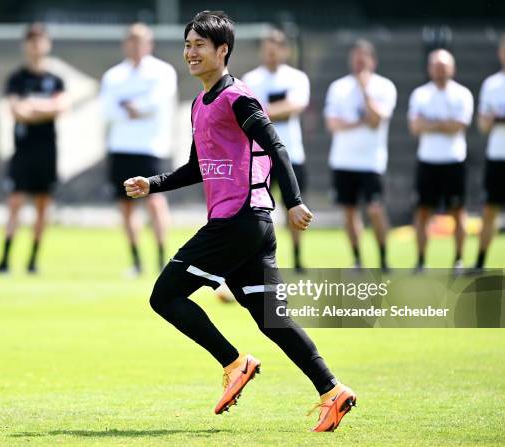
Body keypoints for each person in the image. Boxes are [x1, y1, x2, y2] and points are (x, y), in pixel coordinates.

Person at [124, 11, 355, 432]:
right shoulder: (199, 103)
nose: (190, 53)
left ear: (222, 50)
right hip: (250, 226)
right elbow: (198, 166)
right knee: (272, 318)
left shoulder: (238, 97)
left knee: (165, 296)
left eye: (199, 45)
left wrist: (296, 202)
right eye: (187, 44)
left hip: (239, 221)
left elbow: (278, 147)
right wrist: (153, 183)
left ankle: (234, 363)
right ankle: (332, 390)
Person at [100, 23, 177, 275]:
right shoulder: (113, 76)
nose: (135, 45)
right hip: (121, 147)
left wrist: (134, 107)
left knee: (155, 202)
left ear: (149, 44)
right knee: (126, 206)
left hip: (151, 149)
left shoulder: (162, 71)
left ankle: (162, 259)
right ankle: (136, 262)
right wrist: (133, 109)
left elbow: (157, 103)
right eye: (131, 40)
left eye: (140, 40)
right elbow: (108, 110)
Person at [0, 23, 68, 274]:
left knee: (43, 206)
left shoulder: (55, 79)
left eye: (40, 40)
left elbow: (60, 107)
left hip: (47, 151)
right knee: (14, 203)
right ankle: (5, 260)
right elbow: (17, 112)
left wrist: (33, 105)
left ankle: (33, 261)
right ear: (25, 45)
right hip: (22, 151)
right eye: (31, 41)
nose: (35, 46)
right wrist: (42, 109)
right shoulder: (17, 78)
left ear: (47, 44)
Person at [324, 40, 397, 271]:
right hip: (343, 160)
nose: (359, 62)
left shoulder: (384, 87)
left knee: (375, 209)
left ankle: (384, 259)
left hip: (371, 162)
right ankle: (357, 260)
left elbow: (377, 120)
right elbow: (333, 124)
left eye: (363, 57)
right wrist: (359, 122)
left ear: (372, 61)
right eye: (355, 57)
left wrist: (365, 91)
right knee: (349, 211)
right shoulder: (338, 87)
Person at [242, 28, 311, 272]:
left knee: (293, 208)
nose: (270, 55)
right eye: (266, 50)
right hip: (261, 157)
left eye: (275, 50)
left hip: (291, 154)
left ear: (284, 51)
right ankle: (262, 258)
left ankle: (298, 258)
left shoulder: (296, 77)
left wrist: (263, 112)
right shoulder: (251, 79)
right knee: (260, 211)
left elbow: (296, 105)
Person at [408, 49, 474, 272]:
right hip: (427, 161)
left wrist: (431, 124)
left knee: (458, 213)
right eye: (436, 66)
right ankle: (420, 261)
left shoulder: (462, 94)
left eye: (444, 66)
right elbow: (415, 126)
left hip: (454, 161)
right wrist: (443, 124)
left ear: (452, 68)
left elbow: (459, 125)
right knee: (423, 213)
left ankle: (458, 260)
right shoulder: (420, 94)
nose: (440, 70)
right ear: (429, 68)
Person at [474, 32, 505, 271]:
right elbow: (483, 124)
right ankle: (479, 263)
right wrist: (495, 119)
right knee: (490, 211)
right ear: (500, 52)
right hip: (498, 157)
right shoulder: (491, 84)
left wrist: (504, 118)